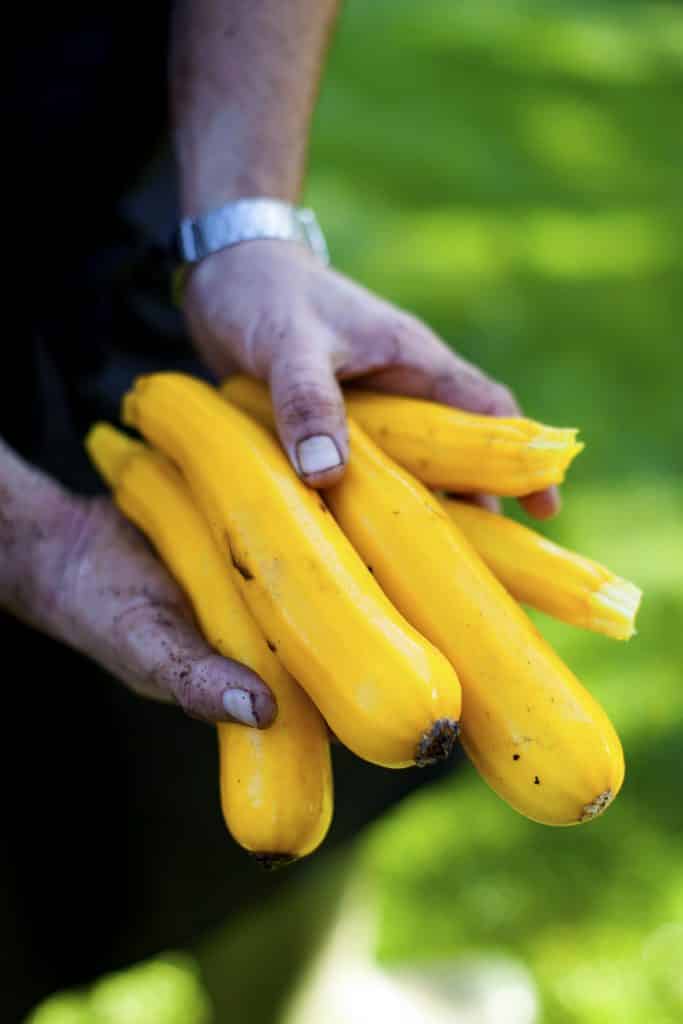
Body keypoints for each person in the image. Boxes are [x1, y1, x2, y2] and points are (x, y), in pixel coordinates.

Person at [2, 1, 559, 1017]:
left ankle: (310, 1002)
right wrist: (23, 536)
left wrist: (244, 221)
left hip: (115, 234)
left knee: (267, 764)